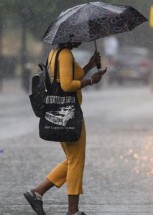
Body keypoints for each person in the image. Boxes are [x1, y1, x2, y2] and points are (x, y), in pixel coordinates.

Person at [23, 42, 107, 215]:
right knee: (76, 161)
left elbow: (66, 77)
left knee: (71, 159)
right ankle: (72, 210)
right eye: (76, 37)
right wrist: (91, 81)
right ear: (68, 37)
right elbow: (67, 85)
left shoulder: (55, 53)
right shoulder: (66, 54)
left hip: (61, 113)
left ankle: (37, 193)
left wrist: (90, 66)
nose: (80, 41)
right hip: (69, 114)